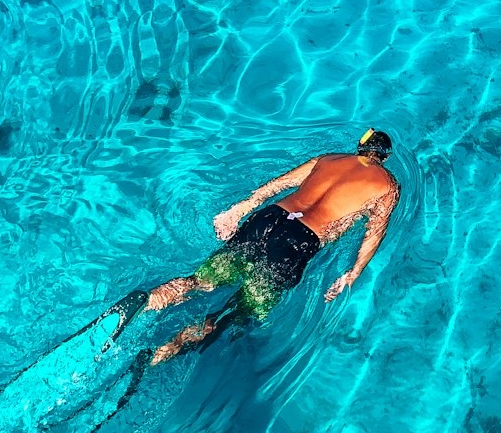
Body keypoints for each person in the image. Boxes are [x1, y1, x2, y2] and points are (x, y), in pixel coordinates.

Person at [147, 128, 399, 363]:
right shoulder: (388, 186)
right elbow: (375, 231)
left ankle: (148, 301)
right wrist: (353, 274)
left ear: (360, 147)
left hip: (269, 218)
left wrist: (239, 209)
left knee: (201, 281)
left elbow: (278, 184)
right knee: (236, 312)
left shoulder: (327, 160)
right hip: (299, 241)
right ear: (385, 158)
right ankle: (161, 354)